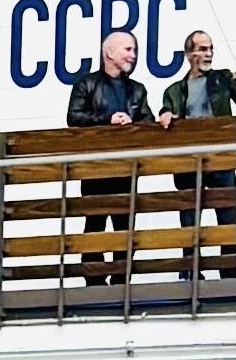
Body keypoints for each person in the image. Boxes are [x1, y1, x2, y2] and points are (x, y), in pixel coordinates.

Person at [67, 30, 156, 284]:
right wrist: (107, 121)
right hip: (94, 169)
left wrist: (134, 123)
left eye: (134, 50)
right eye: (128, 49)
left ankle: (120, 281)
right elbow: (74, 117)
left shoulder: (137, 90)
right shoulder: (86, 84)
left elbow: (147, 121)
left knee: (123, 227)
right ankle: (93, 281)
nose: (133, 55)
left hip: (126, 170)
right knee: (94, 224)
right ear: (110, 52)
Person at [158, 31, 236, 278]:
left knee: (228, 218)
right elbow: (167, 111)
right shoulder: (175, 90)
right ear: (189, 54)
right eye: (202, 49)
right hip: (189, 164)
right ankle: (190, 272)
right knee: (190, 219)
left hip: (221, 161)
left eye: (210, 49)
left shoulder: (223, 79)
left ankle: (230, 272)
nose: (208, 54)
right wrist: (166, 114)